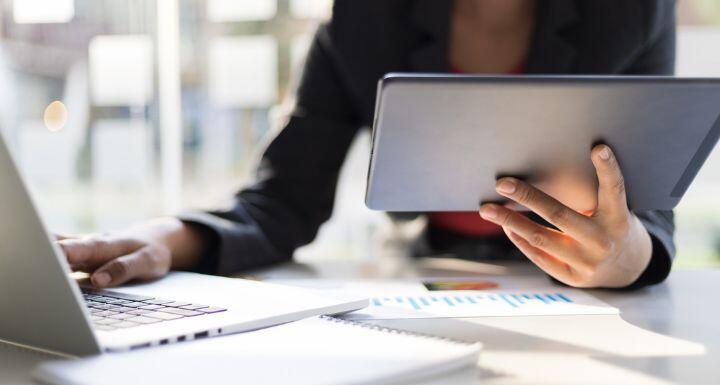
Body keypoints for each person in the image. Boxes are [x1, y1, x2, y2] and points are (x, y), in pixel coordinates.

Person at [60, 0, 676, 290]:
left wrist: (630, 259)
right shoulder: (364, 17)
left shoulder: (633, 13)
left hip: (581, 300)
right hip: (416, 284)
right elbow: (282, 201)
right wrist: (165, 239)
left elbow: (646, 214)